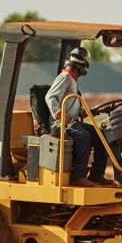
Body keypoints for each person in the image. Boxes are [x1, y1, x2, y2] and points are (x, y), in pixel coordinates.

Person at [45, 46, 112, 187]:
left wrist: (91, 111)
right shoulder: (65, 77)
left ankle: (97, 174)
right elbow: (50, 97)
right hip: (61, 123)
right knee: (83, 136)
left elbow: (73, 108)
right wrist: (59, 114)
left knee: (102, 135)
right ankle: (78, 176)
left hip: (72, 122)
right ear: (81, 65)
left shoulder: (72, 81)